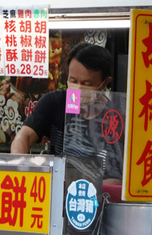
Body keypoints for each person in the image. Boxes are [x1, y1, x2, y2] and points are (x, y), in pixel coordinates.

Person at [11, 43, 120, 177]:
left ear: (105, 83)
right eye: (73, 80)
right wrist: (21, 166)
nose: (78, 89)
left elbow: (116, 177)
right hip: (57, 187)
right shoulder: (54, 102)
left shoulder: (116, 117)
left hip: (97, 193)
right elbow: (23, 137)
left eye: (87, 84)